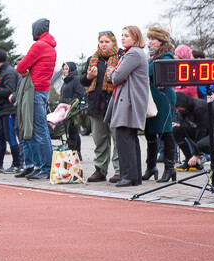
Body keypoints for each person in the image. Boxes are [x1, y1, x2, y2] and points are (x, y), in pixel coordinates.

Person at [104, 26, 150, 188]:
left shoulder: (133, 53)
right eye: (122, 35)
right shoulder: (135, 53)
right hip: (131, 100)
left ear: (135, 38)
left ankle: (128, 176)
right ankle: (134, 177)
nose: (123, 38)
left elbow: (117, 77)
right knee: (130, 138)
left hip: (129, 101)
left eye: (126, 36)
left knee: (124, 138)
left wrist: (111, 72)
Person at [15, 18, 57, 181]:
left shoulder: (39, 45)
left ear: (37, 30)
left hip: (34, 91)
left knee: (39, 131)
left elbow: (20, 67)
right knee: (36, 130)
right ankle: (37, 166)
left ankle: (47, 168)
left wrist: (26, 69)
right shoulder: (51, 47)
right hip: (43, 90)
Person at [81, 31, 122, 183]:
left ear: (113, 43)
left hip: (114, 105)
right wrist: (89, 77)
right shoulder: (92, 59)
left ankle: (119, 170)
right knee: (99, 140)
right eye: (101, 42)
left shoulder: (120, 57)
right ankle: (100, 170)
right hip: (95, 105)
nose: (103, 44)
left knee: (118, 139)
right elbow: (83, 81)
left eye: (107, 42)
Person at [144, 26, 177, 183]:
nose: (150, 41)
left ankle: (170, 168)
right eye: (149, 38)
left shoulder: (166, 58)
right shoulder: (152, 57)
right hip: (151, 99)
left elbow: (154, 73)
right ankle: (151, 167)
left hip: (163, 99)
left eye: (153, 39)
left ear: (162, 41)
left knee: (165, 132)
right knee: (150, 133)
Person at [174, 91, 214, 169]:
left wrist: (196, 155)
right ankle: (189, 161)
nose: (176, 110)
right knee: (177, 130)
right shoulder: (184, 109)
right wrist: (179, 125)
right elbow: (184, 124)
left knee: (201, 144)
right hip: (206, 132)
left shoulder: (200, 107)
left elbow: (201, 130)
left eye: (177, 107)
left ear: (181, 103)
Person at [57, 61, 85, 157]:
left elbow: (80, 93)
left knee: (73, 131)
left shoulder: (76, 80)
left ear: (71, 69)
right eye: (64, 69)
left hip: (73, 110)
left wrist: (71, 103)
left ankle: (76, 152)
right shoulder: (66, 81)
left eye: (66, 69)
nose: (65, 71)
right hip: (65, 110)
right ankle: (72, 151)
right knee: (70, 131)